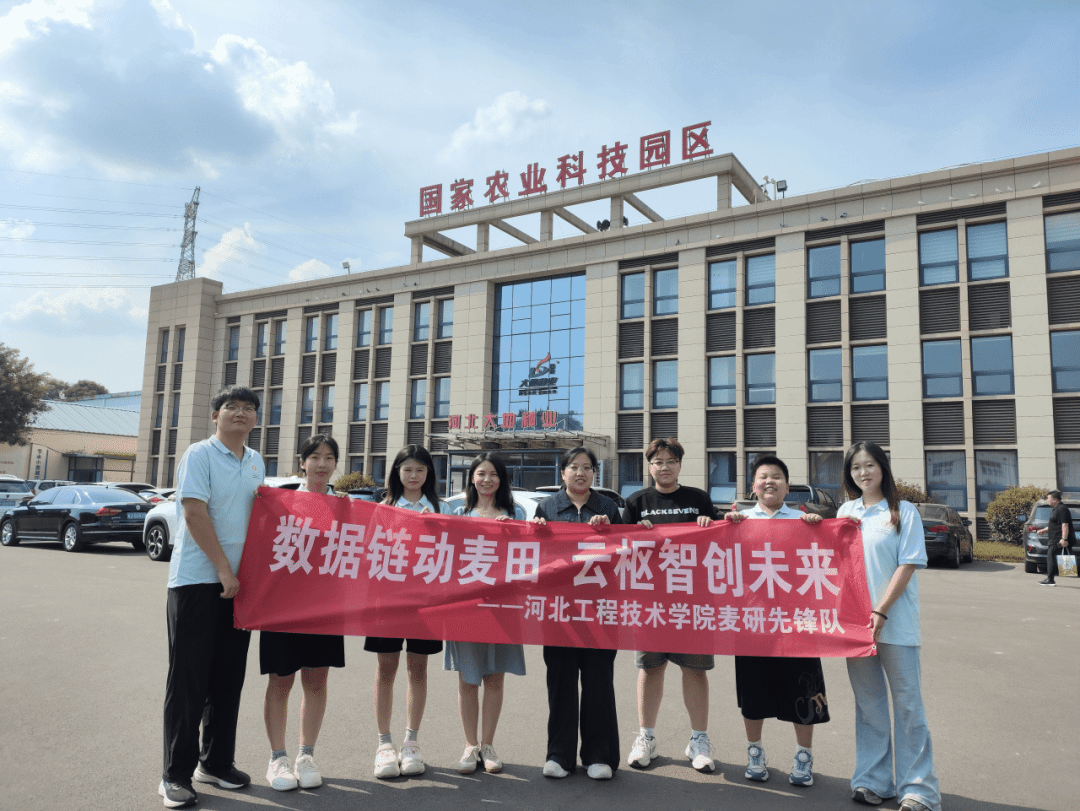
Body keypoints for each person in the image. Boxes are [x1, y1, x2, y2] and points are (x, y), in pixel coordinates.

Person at [160, 386, 265, 809]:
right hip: (197, 582)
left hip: (240, 587)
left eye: (248, 408)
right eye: (231, 407)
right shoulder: (199, 455)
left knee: (228, 678)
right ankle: (174, 775)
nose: (240, 413)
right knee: (189, 680)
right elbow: (193, 512)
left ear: (256, 418)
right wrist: (223, 568)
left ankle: (216, 763)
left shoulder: (255, 460)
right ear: (215, 415)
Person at [838, 441, 941, 811]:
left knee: (908, 705)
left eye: (869, 465)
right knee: (869, 704)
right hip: (856, 628)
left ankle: (919, 790)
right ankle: (873, 781)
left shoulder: (902, 511)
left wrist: (880, 611)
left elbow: (908, 563)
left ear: (882, 467)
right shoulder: (846, 511)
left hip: (894, 624)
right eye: (855, 467)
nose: (863, 473)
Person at [723, 455, 827, 788]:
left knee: (803, 689)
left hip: (797, 622)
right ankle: (755, 753)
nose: (770, 481)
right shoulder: (738, 521)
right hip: (752, 622)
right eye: (763, 476)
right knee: (753, 693)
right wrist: (721, 526)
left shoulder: (803, 520)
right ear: (753, 486)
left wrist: (821, 528)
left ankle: (803, 757)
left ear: (787, 485)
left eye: (777, 476)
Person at [622, 438, 718, 773]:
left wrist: (715, 523)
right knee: (651, 668)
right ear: (649, 466)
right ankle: (646, 737)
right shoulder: (636, 502)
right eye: (658, 461)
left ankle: (699, 740)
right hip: (650, 601)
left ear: (680, 465)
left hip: (692, 600)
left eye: (670, 461)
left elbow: (725, 537)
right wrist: (635, 532)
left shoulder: (698, 499)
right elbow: (617, 548)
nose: (664, 467)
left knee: (695, 670)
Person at [531, 446, 624, 781]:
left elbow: (626, 556)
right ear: (563, 473)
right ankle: (559, 754)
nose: (580, 473)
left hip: (600, 610)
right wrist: (536, 530)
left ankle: (599, 755)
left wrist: (610, 531)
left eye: (587, 467)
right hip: (559, 611)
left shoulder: (608, 508)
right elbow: (535, 557)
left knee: (599, 684)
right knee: (561, 684)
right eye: (574, 467)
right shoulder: (547, 507)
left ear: (594, 473)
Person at [261, 434, 346, 791]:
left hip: (325, 608)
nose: (322, 464)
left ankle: (306, 756)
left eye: (329, 457)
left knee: (316, 680)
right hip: (283, 607)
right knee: (281, 680)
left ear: (336, 464)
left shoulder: (346, 506)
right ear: (302, 462)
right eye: (315, 457)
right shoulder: (281, 501)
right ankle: (277, 758)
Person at [445, 452, 527, 774]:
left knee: (494, 677)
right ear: (472, 477)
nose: (487, 480)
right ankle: (470, 745)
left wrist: (520, 529)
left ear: (502, 479)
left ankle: (488, 745)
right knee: (468, 678)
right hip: (465, 607)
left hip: (504, 606)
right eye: (481, 473)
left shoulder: (516, 513)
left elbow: (532, 553)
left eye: (493, 474)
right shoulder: (457, 513)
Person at [366, 445, 443, 779]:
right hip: (388, 602)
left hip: (426, 603)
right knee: (386, 668)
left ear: (429, 474)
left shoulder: (440, 509)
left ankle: (411, 742)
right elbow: (367, 552)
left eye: (420, 470)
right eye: (407, 469)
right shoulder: (382, 509)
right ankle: (384, 744)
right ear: (397, 472)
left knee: (418, 669)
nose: (414, 476)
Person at [1037, 489, 1074, 586]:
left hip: (1058, 539)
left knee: (1050, 557)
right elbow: (1055, 524)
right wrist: (1044, 530)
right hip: (1054, 539)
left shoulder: (1062, 509)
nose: (1047, 500)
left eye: (1048, 498)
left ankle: (1050, 580)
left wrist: (1064, 539)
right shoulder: (1056, 509)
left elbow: (1065, 525)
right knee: (1051, 558)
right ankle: (1050, 579)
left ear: (1055, 499)